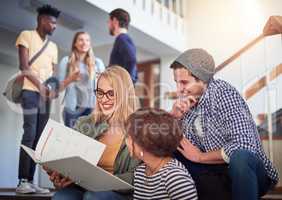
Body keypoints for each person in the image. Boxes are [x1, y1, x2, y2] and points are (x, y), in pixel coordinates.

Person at [170, 48, 279, 200]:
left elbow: (244, 145)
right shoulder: (189, 103)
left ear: (202, 79)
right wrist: (174, 118)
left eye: (184, 82)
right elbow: (184, 147)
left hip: (250, 173)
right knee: (170, 153)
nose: (179, 90)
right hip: (217, 172)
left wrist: (201, 157)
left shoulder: (223, 93)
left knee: (240, 157)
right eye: (176, 83)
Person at [48, 66, 140, 200]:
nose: (104, 99)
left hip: (119, 193)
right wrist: (60, 176)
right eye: (100, 92)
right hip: (81, 187)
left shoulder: (139, 129)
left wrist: (101, 181)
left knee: (92, 197)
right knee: (61, 197)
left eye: (111, 93)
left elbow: (138, 176)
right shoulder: (84, 123)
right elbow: (70, 161)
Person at [15, 4, 61, 194]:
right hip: (30, 92)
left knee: (40, 138)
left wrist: (53, 88)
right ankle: (22, 181)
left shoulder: (54, 46)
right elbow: (24, 66)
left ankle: (31, 180)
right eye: (52, 22)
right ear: (42, 20)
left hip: (45, 96)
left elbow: (54, 73)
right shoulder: (26, 35)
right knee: (30, 132)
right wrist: (41, 87)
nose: (55, 26)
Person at [125, 108, 198, 200]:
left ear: (143, 144)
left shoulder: (175, 177)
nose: (126, 141)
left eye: (128, 136)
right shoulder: (140, 172)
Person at [57, 31, 105, 128]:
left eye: (87, 40)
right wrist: (71, 78)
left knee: (88, 141)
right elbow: (59, 88)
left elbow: (104, 86)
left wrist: (99, 108)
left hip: (91, 109)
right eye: (81, 40)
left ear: (90, 44)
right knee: (71, 139)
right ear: (75, 43)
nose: (84, 43)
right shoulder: (66, 61)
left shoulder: (98, 63)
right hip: (72, 108)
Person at [108, 8, 138, 84]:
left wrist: (125, 84)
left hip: (121, 90)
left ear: (114, 21)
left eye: (109, 22)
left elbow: (132, 60)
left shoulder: (122, 39)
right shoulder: (125, 39)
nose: (108, 25)